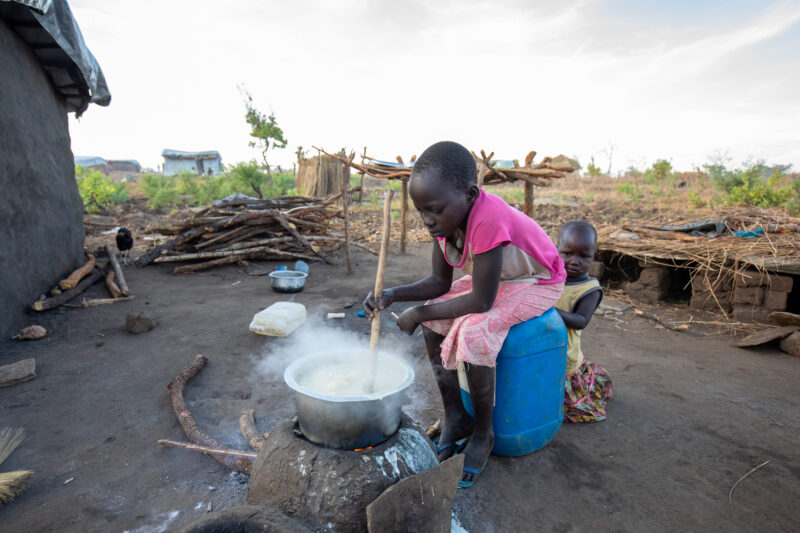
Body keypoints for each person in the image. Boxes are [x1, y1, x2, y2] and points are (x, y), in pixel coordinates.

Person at [363, 141, 566, 488]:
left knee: (474, 330)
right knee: (432, 319)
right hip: (501, 280)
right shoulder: (445, 221)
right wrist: (394, 295)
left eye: (435, 210)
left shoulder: (489, 217)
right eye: (421, 210)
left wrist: (419, 311)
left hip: (538, 280)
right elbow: (439, 282)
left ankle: (484, 434)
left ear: (470, 195)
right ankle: (456, 416)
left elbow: (482, 302)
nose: (427, 220)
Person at [553, 221, 614, 423]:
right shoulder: (550, 277)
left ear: (593, 256)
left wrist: (547, 310)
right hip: (541, 346)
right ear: (556, 249)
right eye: (568, 253)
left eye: (583, 256)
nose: (574, 261)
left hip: (565, 354)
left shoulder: (589, 289)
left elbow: (580, 321)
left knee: (563, 406)